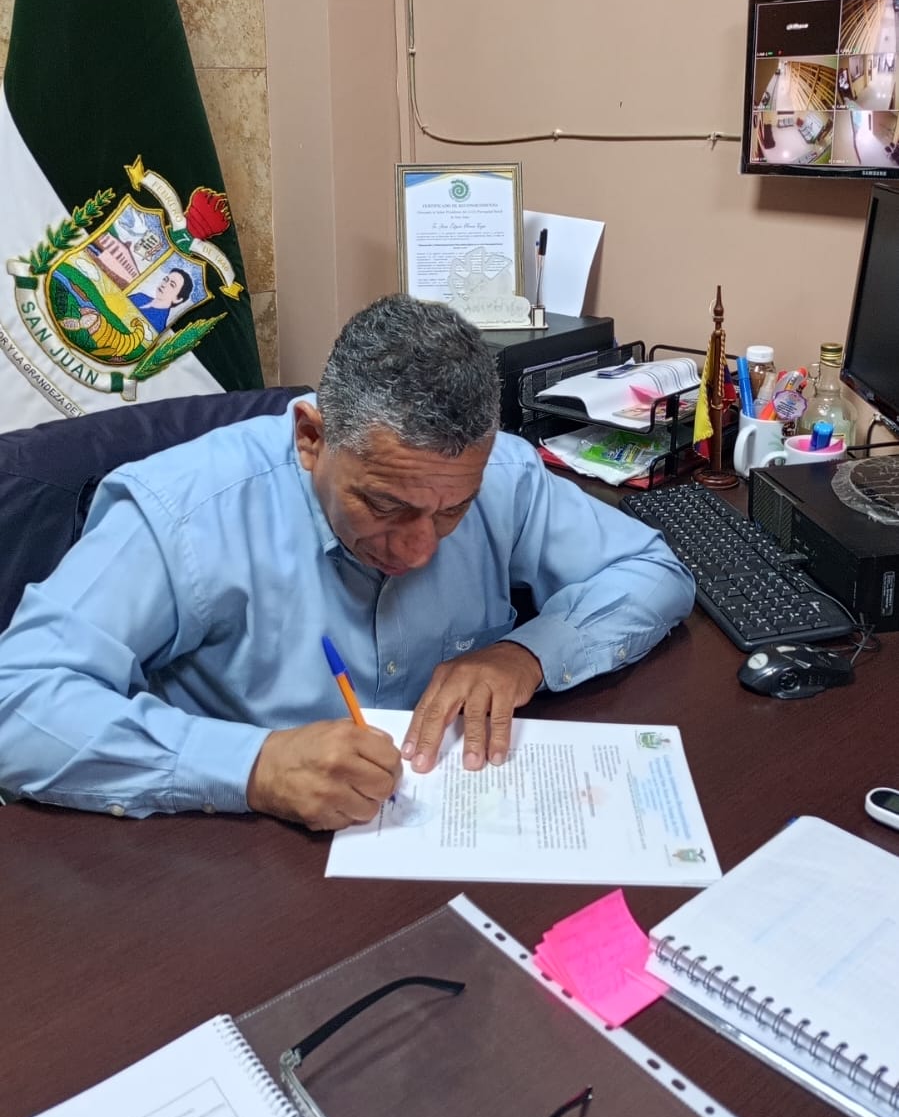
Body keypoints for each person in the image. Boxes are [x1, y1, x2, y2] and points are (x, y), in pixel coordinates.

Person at [0, 295, 694, 829]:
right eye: (385, 505)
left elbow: (652, 570)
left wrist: (526, 653)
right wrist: (254, 767)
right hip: (236, 857)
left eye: (451, 511)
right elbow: (19, 699)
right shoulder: (184, 511)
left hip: (443, 828)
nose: (420, 548)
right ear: (311, 439)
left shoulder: (503, 476)